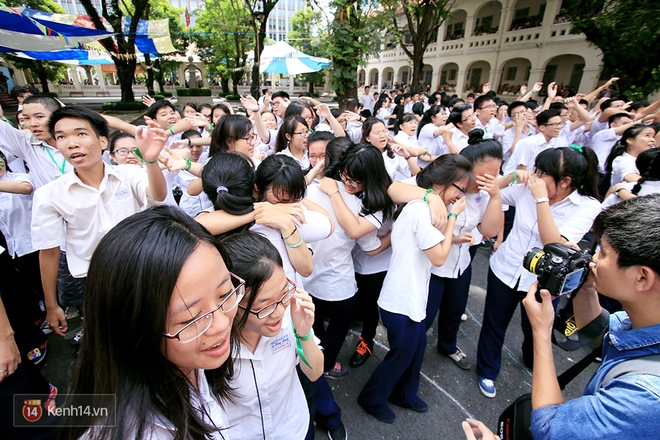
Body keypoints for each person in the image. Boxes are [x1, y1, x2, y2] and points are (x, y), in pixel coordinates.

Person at [58, 206, 241, 439]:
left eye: (225, 294)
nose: (221, 325)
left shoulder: (191, 363)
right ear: (133, 328)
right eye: (191, 318)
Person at [522, 194, 660, 439]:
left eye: (603, 253)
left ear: (642, 278)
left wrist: (541, 332)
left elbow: (548, 429)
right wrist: (585, 287)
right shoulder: (643, 321)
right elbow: (602, 332)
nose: (593, 259)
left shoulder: (643, 398)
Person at [476, 145, 602, 398]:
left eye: (543, 172)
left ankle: (534, 362)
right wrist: (512, 176)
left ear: (565, 181)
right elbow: (488, 191)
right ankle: (487, 370)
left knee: (536, 328)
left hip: (542, 282)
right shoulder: (525, 188)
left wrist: (541, 199)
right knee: (494, 322)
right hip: (505, 267)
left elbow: (554, 247)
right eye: (536, 168)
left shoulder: (587, 206)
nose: (535, 175)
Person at [31, 106, 167, 340]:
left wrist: (151, 160)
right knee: (112, 335)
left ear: (103, 141)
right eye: (61, 136)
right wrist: (52, 305)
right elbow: (49, 251)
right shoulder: (49, 195)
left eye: (81, 134)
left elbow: (157, 194)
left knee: (151, 328)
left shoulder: (127, 174)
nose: (71, 143)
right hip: (94, 280)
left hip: (140, 268)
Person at [357, 154, 470, 423]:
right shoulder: (421, 211)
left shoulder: (421, 204)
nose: (460, 196)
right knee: (402, 354)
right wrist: (453, 215)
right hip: (402, 298)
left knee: (417, 348)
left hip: (412, 293)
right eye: (460, 189)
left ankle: (405, 393)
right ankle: (371, 398)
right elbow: (439, 257)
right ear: (441, 183)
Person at [388, 130, 504, 371]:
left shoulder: (483, 195)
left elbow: (489, 230)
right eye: (485, 175)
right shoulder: (440, 183)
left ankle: (448, 346)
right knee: (424, 317)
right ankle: (407, 360)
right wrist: (431, 196)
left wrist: (495, 196)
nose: (490, 180)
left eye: (496, 174)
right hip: (431, 266)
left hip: (461, 263)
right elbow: (395, 190)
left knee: (455, 310)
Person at [221, 232, 323, 440]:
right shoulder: (213, 345)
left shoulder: (290, 314)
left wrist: (304, 334)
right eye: (264, 305)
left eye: (284, 293)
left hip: (293, 429)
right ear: (232, 302)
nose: (278, 313)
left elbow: (314, 373)